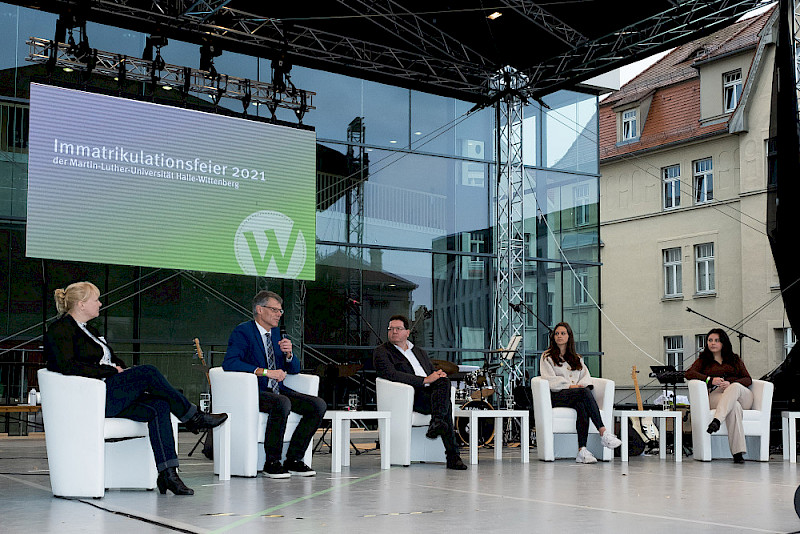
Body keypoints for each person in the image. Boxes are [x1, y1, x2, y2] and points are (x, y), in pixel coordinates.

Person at [43, 281, 228, 496]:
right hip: (91, 399)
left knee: (158, 405)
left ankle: (168, 473)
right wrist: (112, 372)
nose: (100, 304)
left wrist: (121, 368)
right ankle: (193, 416)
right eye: (96, 300)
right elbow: (66, 366)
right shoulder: (60, 330)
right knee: (148, 372)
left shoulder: (90, 330)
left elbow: (111, 359)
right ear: (82, 304)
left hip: (110, 394)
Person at [223, 290, 326, 478]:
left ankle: (294, 460)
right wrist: (264, 372)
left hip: (278, 390)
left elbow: (294, 369)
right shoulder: (244, 331)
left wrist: (289, 354)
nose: (279, 314)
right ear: (259, 310)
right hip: (253, 391)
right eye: (274, 309)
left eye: (280, 310)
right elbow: (230, 362)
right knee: (281, 402)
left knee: (317, 405)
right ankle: (272, 462)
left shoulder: (278, 334)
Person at [373, 314, 467, 470]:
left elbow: (431, 372)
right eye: (391, 329)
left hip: (429, 394)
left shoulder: (419, 352)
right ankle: (452, 454)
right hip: (407, 397)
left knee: (444, 381)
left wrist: (437, 375)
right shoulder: (382, 352)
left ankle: (437, 421)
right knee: (446, 406)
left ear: (407, 332)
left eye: (398, 328)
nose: (394, 332)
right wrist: (424, 380)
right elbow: (391, 375)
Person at [539, 322, 621, 463]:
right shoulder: (547, 357)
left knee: (582, 405)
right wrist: (570, 386)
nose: (559, 336)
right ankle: (603, 432)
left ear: (569, 336)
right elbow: (549, 379)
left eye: (563, 333)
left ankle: (582, 450)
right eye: (557, 333)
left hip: (575, 395)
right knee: (583, 393)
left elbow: (586, 378)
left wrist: (579, 386)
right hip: (556, 395)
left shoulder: (577, 358)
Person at [684, 328, 753, 464]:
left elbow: (748, 379)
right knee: (734, 407)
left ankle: (717, 420)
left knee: (735, 388)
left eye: (716, 340)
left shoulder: (734, 359)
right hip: (717, 395)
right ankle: (738, 453)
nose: (713, 343)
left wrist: (731, 383)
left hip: (741, 394)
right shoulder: (703, 360)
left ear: (723, 343)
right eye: (710, 340)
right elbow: (689, 374)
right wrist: (710, 379)